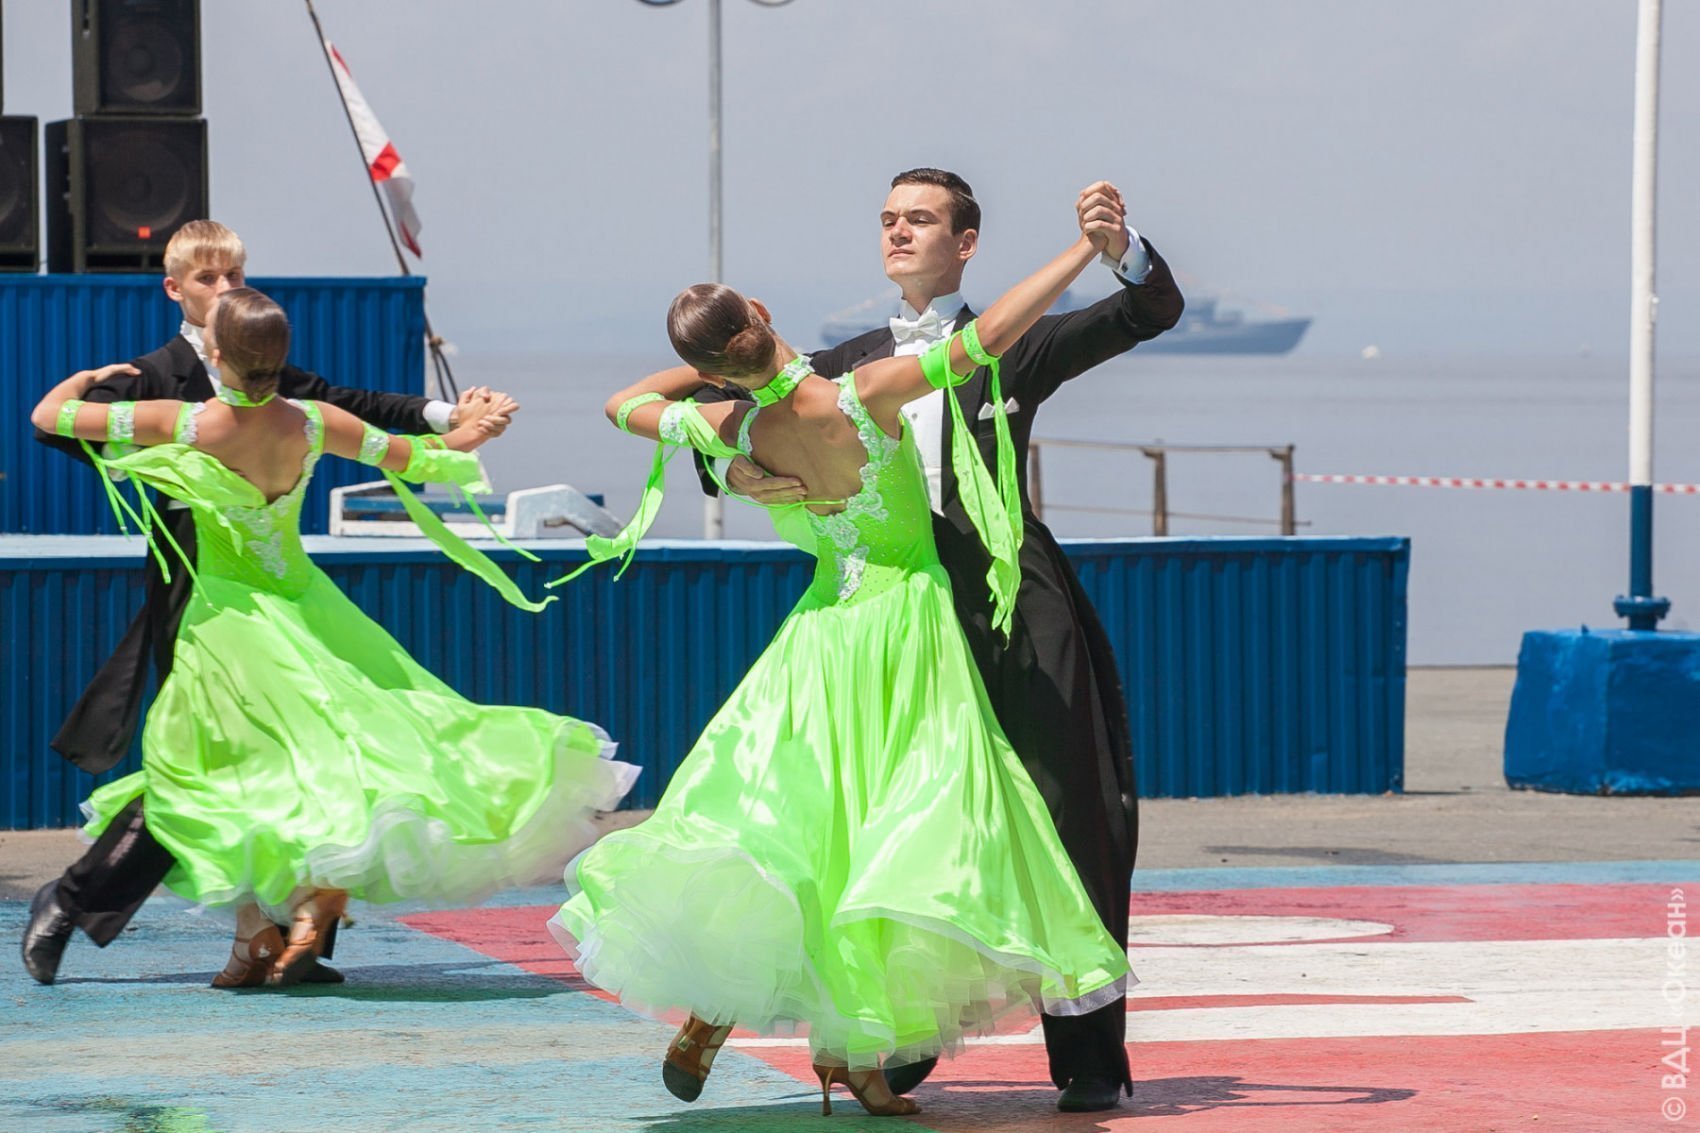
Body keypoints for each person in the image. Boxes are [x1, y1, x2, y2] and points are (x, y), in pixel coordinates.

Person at [549, 219, 1129, 1119]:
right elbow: (992, 335)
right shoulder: (864, 393)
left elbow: (623, 406)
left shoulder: (730, 427)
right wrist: (1083, 250)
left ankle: (729, 1009)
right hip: (907, 630)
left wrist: (714, 398)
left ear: (714, 363)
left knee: (791, 825)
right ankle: (855, 1051)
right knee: (898, 832)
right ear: (762, 314)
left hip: (819, 636)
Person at [713, 172, 1183, 1112]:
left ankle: (1089, 1052)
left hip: (1015, 603)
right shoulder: (844, 365)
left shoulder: (1015, 338)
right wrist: (733, 470)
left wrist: (1117, 248)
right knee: (899, 818)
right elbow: (725, 412)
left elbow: (1149, 310)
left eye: (920, 219)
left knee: (1068, 808)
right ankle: (901, 1035)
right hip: (900, 616)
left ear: (965, 242)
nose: (898, 231)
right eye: (888, 218)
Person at [29, 287, 636, 987]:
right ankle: (267, 931)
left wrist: (83, 378)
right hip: (307, 606)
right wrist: (478, 423)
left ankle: (251, 928)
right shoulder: (315, 423)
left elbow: (51, 415)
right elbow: (429, 456)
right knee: (342, 752)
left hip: (227, 621)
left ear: (216, 354)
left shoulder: (188, 422)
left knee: (206, 772)